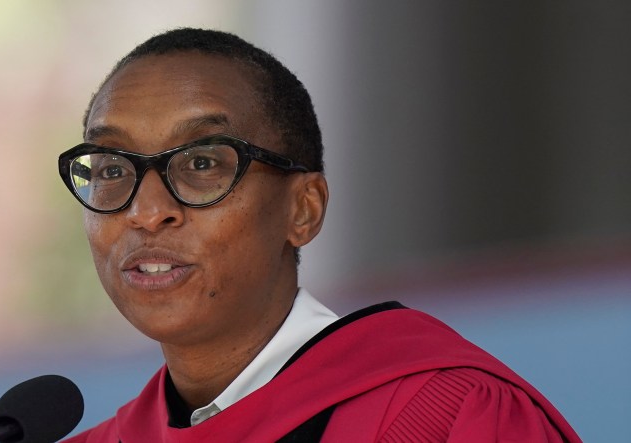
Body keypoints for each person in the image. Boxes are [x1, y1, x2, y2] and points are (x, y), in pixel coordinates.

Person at [57, 28, 580, 442]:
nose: (147, 212)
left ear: (303, 210)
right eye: (110, 169)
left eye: (201, 162)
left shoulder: (449, 417)